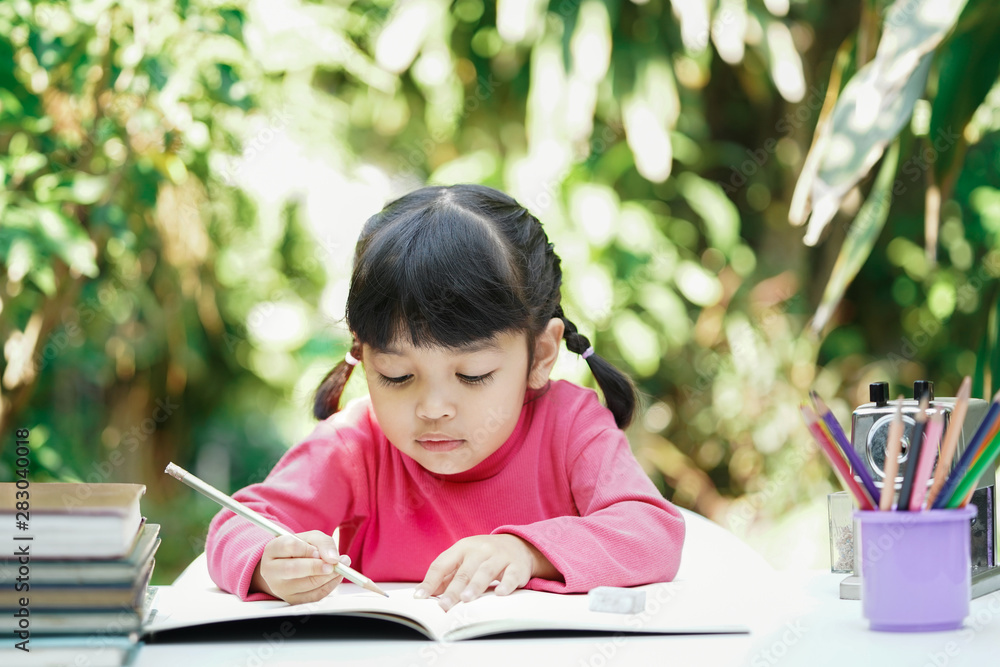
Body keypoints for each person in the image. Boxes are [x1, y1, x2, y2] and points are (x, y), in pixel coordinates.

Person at [206, 184, 685, 610]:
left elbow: (652, 534)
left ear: (540, 354)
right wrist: (271, 563)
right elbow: (237, 525)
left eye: (473, 374)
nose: (433, 408)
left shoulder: (571, 426)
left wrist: (527, 552)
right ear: (363, 354)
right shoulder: (358, 444)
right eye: (396, 375)